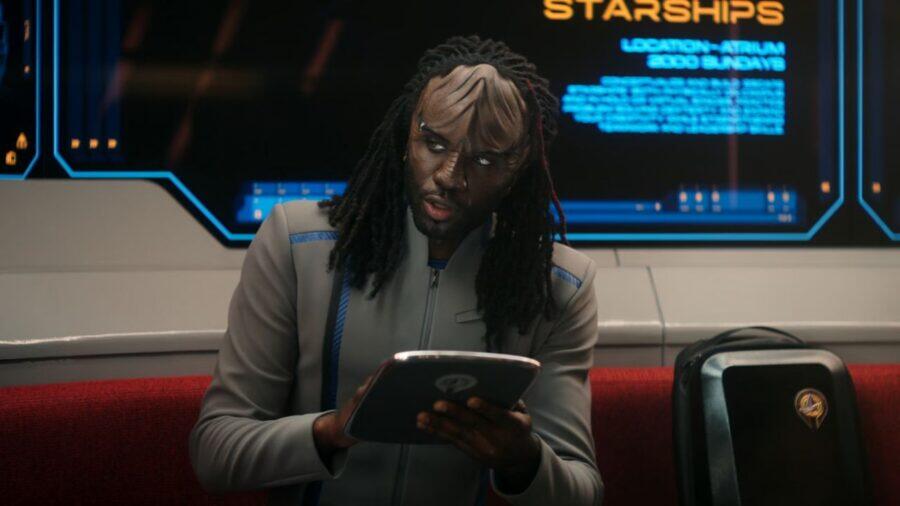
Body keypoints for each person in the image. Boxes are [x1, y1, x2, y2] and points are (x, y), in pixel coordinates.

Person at [190, 35, 603, 506]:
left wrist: (522, 459)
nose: (449, 176)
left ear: (519, 166)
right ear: (407, 136)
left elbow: (583, 493)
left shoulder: (558, 285)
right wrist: (335, 429)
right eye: (434, 143)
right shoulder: (297, 244)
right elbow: (215, 452)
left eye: (485, 159)